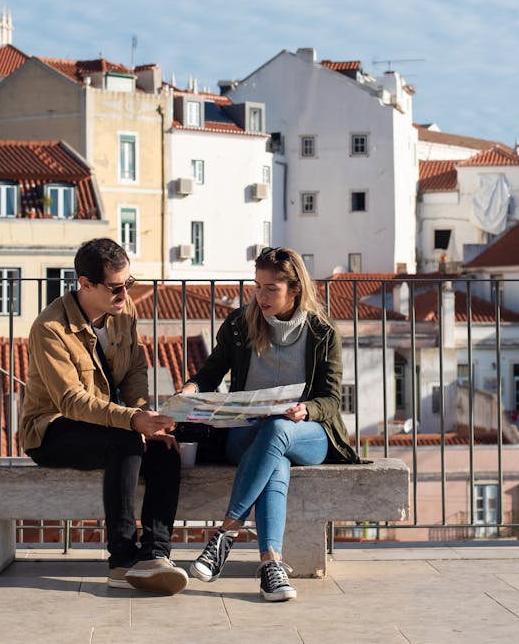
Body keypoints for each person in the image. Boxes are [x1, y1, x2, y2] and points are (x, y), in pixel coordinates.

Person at [179, 246, 359, 602]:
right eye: (257, 286)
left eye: (271, 288)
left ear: (295, 289)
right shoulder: (239, 325)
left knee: (278, 430)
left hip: (305, 434)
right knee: (273, 451)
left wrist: (305, 410)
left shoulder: (322, 333)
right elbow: (210, 373)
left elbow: (330, 399)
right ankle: (271, 566)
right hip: (247, 432)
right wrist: (191, 389)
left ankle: (226, 534)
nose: (260, 296)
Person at [21, 238, 188, 595]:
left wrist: (146, 416)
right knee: (126, 439)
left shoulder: (123, 314)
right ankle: (122, 562)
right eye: (116, 287)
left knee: (165, 447)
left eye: (129, 284)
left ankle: (155, 556)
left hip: (112, 424)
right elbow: (71, 401)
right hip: (51, 430)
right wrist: (132, 422)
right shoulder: (50, 329)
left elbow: (135, 371)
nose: (125, 294)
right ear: (85, 283)